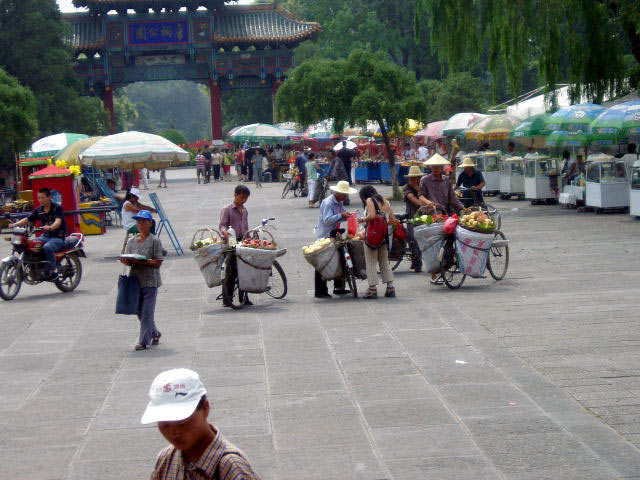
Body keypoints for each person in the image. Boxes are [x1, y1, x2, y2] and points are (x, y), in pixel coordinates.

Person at [141, 368, 260, 480]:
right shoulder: (166, 459)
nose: (173, 433)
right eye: (165, 425)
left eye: (182, 423)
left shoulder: (231, 467)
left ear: (205, 408)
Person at [120, 210, 163, 351]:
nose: (141, 224)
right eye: (139, 222)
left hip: (150, 281)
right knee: (139, 310)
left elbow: (158, 261)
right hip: (135, 280)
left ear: (150, 223)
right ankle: (154, 332)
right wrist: (126, 260)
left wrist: (143, 262)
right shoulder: (132, 241)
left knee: (147, 312)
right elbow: (127, 258)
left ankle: (143, 341)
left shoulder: (155, 241)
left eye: (144, 221)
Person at [9, 187, 67, 279]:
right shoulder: (39, 210)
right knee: (31, 244)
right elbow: (28, 219)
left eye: (43, 197)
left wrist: (50, 227)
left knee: (47, 247)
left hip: (58, 237)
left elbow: (58, 221)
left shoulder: (57, 207)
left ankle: (53, 271)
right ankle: (35, 266)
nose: (40, 200)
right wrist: (15, 224)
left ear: (49, 197)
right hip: (45, 236)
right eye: (39, 198)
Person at [315, 180, 356, 298]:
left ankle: (339, 287)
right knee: (323, 263)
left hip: (335, 235)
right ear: (338, 193)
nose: (347, 196)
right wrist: (341, 216)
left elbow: (339, 217)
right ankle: (320, 290)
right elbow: (327, 220)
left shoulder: (339, 203)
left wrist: (347, 216)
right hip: (326, 236)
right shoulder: (328, 203)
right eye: (345, 194)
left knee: (340, 260)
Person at [357, 186, 396, 299]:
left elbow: (372, 216)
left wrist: (362, 220)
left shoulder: (370, 200)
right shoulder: (386, 202)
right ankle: (390, 288)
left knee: (370, 263)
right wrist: (381, 226)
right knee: (384, 262)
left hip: (371, 237)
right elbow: (392, 220)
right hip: (384, 236)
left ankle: (373, 290)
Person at [219, 185, 251, 308]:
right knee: (231, 271)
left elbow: (246, 226)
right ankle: (227, 298)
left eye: (245, 198)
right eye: (241, 197)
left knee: (245, 269)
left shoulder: (245, 210)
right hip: (231, 241)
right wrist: (225, 232)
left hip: (243, 240)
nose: (243, 200)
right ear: (235, 195)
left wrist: (249, 239)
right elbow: (222, 225)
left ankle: (244, 297)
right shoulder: (227, 209)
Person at [403, 165, 424, 272]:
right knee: (412, 239)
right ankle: (416, 263)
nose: (416, 180)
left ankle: (417, 261)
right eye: (413, 178)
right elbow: (414, 200)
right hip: (412, 216)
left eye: (417, 178)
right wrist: (425, 204)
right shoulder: (407, 188)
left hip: (424, 216)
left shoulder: (423, 187)